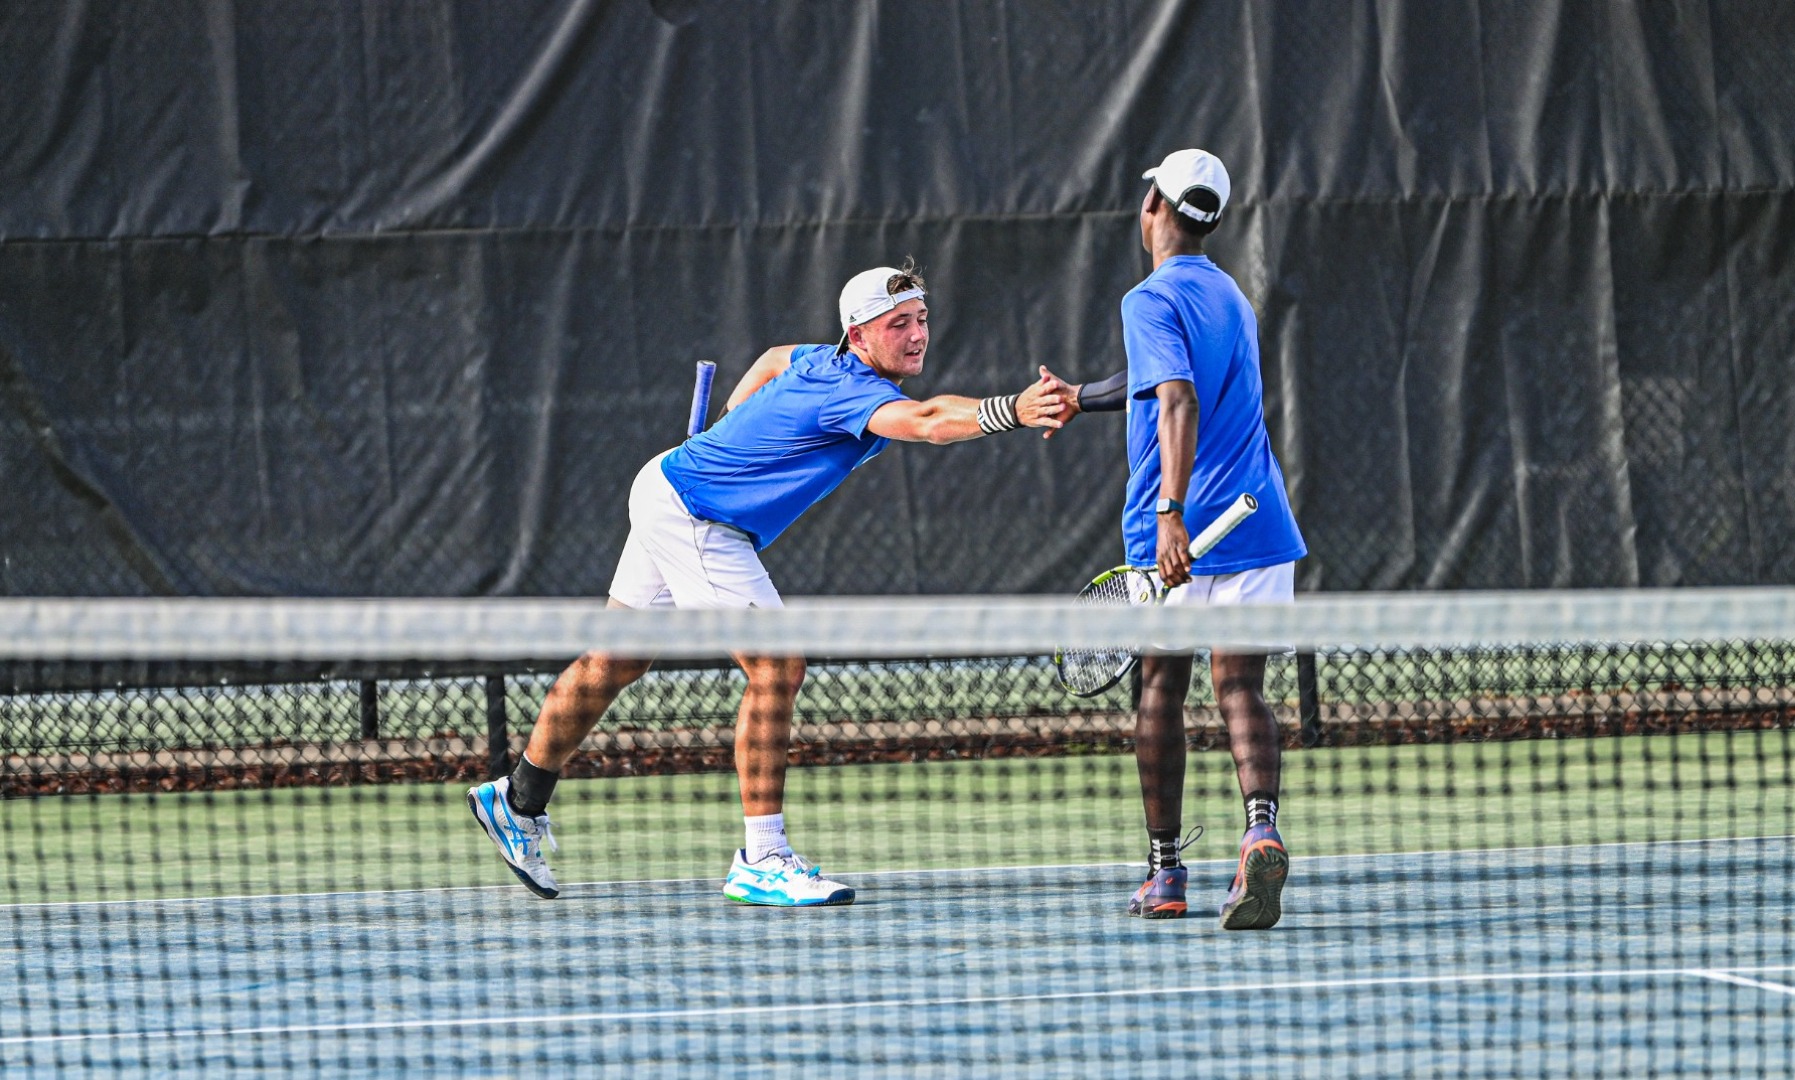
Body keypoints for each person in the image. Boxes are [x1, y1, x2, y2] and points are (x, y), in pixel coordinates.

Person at [467, 260, 1072, 907]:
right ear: (858, 335)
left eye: (921, 319)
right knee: (777, 664)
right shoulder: (849, 389)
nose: (917, 334)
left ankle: (518, 798)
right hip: (700, 517)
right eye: (898, 324)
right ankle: (762, 857)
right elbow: (925, 421)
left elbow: (772, 358)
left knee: (615, 659)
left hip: (668, 484)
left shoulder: (821, 359)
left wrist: (728, 419)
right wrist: (1013, 409)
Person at [1054, 149, 1309, 930]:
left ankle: (1165, 876)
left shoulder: (1145, 296)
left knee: (1159, 689)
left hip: (1177, 535)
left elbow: (1177, 399)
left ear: (1154, 208)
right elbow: (1152, 382)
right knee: (1240, 689)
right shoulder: (1229, 296)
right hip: (1256, 523)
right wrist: (1082, 397)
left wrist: (1169, 512)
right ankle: (1258, 829)